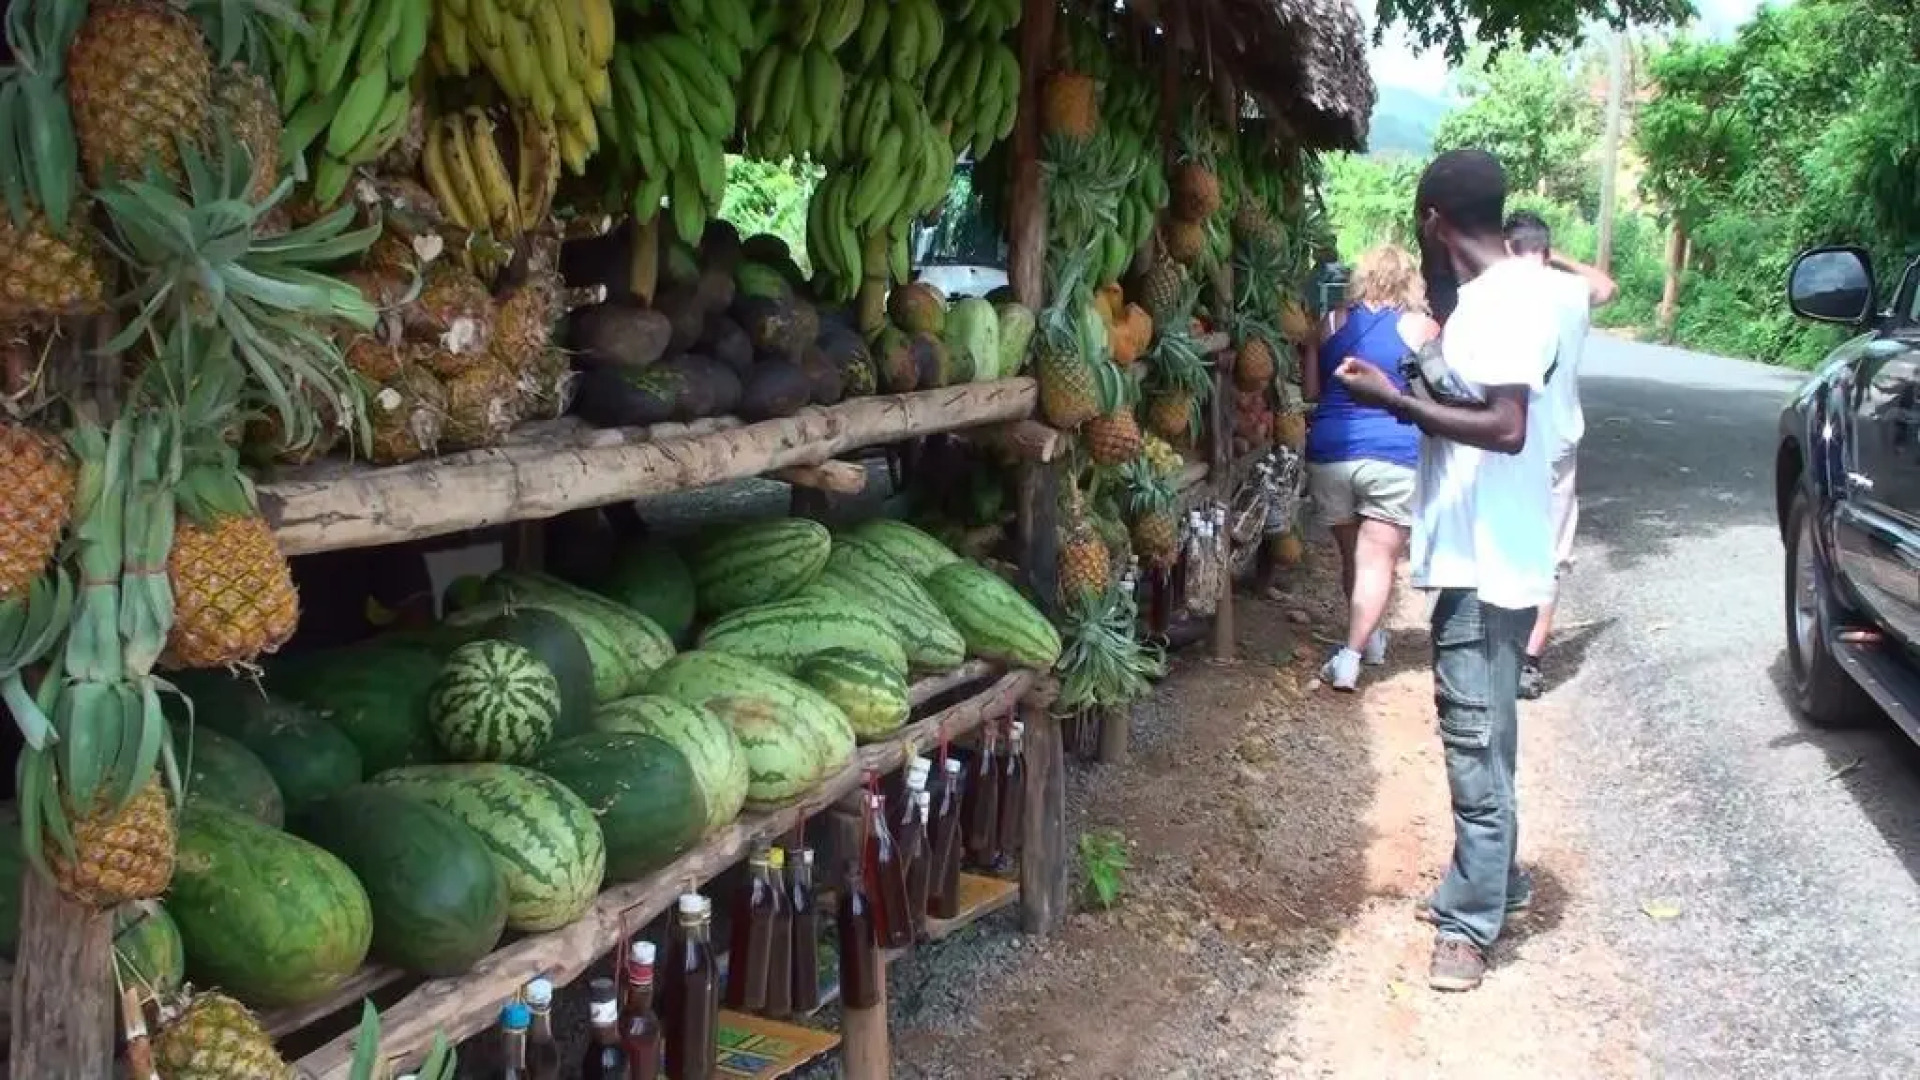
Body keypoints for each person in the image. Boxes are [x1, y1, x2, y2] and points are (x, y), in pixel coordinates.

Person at [1333, 149, 1561, 993]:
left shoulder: (1502, 303)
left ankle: (1469, 926)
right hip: (1490, 548)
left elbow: (1503, 425)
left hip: (1485, 556)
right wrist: (1418, 379)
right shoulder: (1500, 299)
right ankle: (1497, 881)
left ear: (1434, 219)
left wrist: (1393, 404)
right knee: (1490, 726)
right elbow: (1478, 406)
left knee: (1472, 733)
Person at [1300, 244, 1427, 691]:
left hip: (1331, 451)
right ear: (1410, 280)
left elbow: (1312, 390)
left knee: (1354, 555)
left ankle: (1367, 639)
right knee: (1377, 559)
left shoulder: (1331, 322)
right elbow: (1434, 394)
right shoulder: (1421, 328)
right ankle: (1351, 657)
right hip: (1394, 454)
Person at [1502, 211, 1617, 699]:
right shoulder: (1570, 291)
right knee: (1549, 552)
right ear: (1544, 250)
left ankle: (1496, 646)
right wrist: (1561, 258)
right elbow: (1606, 287)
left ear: (1508, 248)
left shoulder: (1497, 291)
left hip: (1504, 437)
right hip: (1559, 442)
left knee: (1503, 539)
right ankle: (1529, 660)